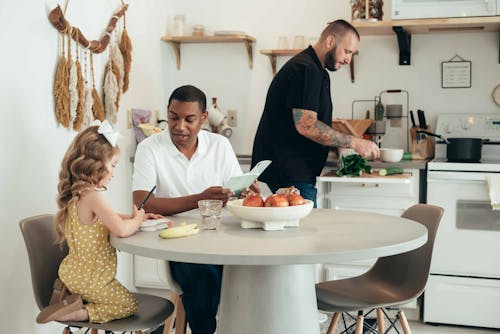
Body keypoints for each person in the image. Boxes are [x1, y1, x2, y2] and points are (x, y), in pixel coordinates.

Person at [132, 85, 249, 334]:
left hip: (224, 241)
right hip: (179, 245)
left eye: (189, 119)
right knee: (204, 279)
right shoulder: (150, 148)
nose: (180, 126)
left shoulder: (219, 145)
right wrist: (200, 199)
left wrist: (245, 191)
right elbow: (143, 202)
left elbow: (237, 192)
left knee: (254, 274)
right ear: (168, 112)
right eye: (174, 117)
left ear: (204, 118)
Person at [36, 120, 165, 324]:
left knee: (117, 300)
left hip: (74, 273)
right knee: (128, 305)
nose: (114, 172)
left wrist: (134, 217)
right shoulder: (93, 196)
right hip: (92, 279)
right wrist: (138, 217)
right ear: (95, 166)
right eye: (113, 165)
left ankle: (75, 301)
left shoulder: (78, 193)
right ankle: (78, 312)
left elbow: (107, 219)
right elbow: (121, 230)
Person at [251, 19, 380, 206]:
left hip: (296, 169)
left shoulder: (318, 72)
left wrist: (338, 144)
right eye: (347, 51)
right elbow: (307, 125)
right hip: (290, 170)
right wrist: (353, 142)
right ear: (330, 42)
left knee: (300, 230)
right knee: (303, 232)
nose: (348, 59)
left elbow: (315, 121)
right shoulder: (306, 69)